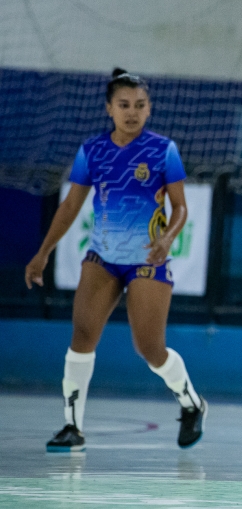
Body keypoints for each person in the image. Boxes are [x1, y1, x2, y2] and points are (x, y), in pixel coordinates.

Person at [24, 69, 208, 452]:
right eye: (124, 105)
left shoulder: (163, 150)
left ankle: (191, 403)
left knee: (150, 349)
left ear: (149, 109)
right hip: (103, 258)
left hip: (147, 260)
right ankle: (72, 427)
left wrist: (167, 239)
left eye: (140, 105)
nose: (132, 112)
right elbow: (70, 206)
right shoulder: (92, 151)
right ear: (109, 108)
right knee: (82, 337)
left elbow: (180, 208)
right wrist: (43, 253)